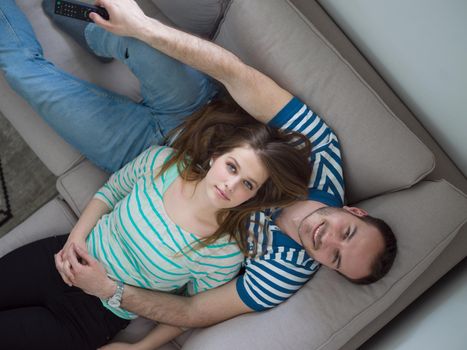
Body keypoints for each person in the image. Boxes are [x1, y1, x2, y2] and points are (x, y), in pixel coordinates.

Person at [0, 0, 397, 349]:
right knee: (124, 30)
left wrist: (129, 326)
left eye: (335, 259)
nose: (326, 240)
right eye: (346, 233)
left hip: (138, 157)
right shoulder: (321, 154)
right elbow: (238, 75)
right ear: (354, 212)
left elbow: (193, 309)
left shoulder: (279, 273)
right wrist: (141, 25)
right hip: (197, 112)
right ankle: (84, 24)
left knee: (24, 75)